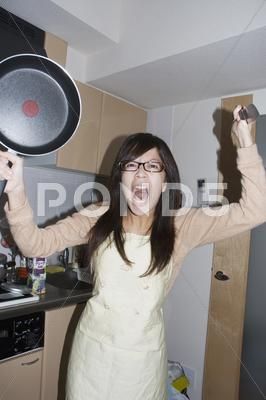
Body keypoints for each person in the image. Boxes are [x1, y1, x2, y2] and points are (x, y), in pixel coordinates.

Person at [0, 105, 266, 400]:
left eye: (152, 166)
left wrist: (245, 141)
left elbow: (256, 210)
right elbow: (34, 244)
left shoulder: (182, 224)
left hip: (142, 365)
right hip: (91, 359)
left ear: (165, 180)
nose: (141, 173)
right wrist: (16, 191)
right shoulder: (97, 215)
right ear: (120, 177)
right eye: (131, 165)